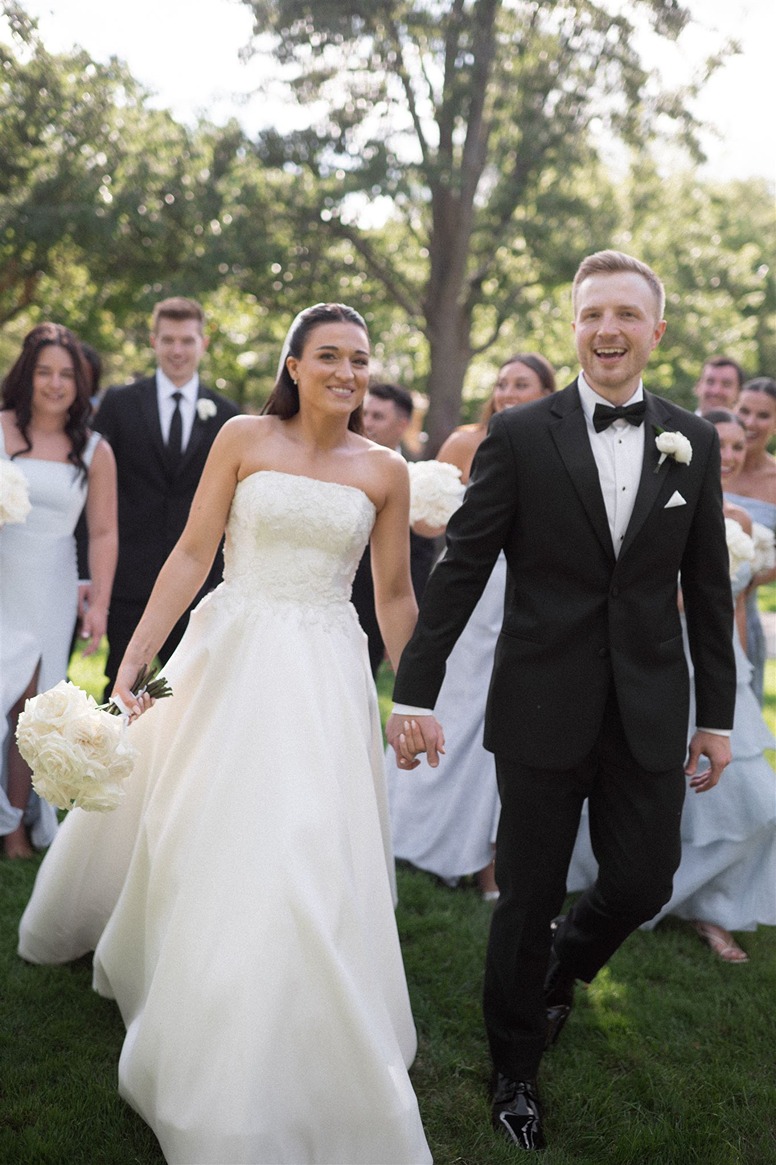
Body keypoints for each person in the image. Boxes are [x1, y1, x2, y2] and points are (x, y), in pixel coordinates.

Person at [18, 303, 432, 1165]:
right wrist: (135, 661)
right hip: (227, 648)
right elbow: (191, 552)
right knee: (198, 819)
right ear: (293, 364)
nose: (347, 372)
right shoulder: (243, 436)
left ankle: (299, 1021)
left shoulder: (386, 469)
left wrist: (416, 696)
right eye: (329, 355)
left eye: (359, 359)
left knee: (305, 841)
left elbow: (394, 595)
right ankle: (191, 989)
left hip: (325, 671)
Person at [387, 250, 736, 1153]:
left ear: (656, 330)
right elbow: (462, 569)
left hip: (649, 705)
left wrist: (716, 716)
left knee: (643, 879)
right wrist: (413, 690)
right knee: (527, 891)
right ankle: (514, 1070)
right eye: (591, 315)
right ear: (574, 327)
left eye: (626, 314)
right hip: (540, 703)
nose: (607, 330)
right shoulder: (518, 435)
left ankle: (559, 971)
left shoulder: (691, 441)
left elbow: (706, 589)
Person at [569, 409, 776, 962]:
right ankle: (632, 894)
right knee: (646, 791)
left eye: (737, 446)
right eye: (720, 444)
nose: (729, 455)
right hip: (653, 661)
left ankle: (712, 907)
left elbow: (733, 605)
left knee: (750, 800)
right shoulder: (660, 500)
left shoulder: (743, 522)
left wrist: (737, 668)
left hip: (716, 664)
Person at [386, 354, 556, 900]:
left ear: (547, 392)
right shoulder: (465, 442)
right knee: (457, 715)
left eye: (522, 384)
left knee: (509, 724)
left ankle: (491, 859)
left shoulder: (559, 446)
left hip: (531, 595)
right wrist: (433, 507)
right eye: (502, 383)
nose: (507, 392)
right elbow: (424, 522)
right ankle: (425, 837)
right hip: (470, 596)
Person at [1, 323, 117, 859]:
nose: (54, 383)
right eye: (44, 372)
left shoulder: (94, 449)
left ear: (80, 383)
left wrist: (100, 605)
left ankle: (13, 827)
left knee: (29, 708)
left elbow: (103, 532)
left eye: (66, 374)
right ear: (27, 376)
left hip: (49, 584)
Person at [93, 296, 239, 698]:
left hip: (199, 584)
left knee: (188, 694)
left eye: (187, 340)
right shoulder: (119, 404)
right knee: (120, 690)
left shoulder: (228, 417)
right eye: (168, 340)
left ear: (203, 344)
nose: (177, 350)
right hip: (129, 577)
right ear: (153, 341)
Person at [352, 381, 436, 675]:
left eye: (378, 416)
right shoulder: (338, 459)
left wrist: (403, 627)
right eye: (365, 413)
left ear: (402, 424)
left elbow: (420, 558)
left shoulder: (417, 477)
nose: (367, 423)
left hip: (378, 609)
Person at [725, 377, 776, 703]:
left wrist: (749, 579)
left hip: (742, 607)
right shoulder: (713, 462)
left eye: (763, 415)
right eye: (744, 411)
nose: (750, 422)